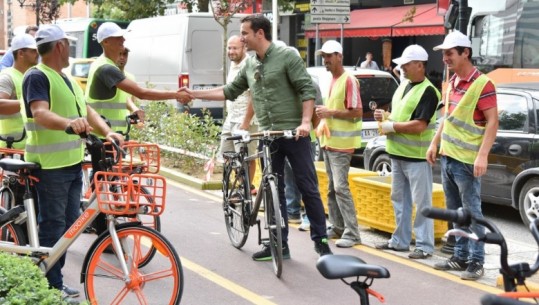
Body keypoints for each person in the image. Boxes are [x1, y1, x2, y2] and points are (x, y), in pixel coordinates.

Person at [184, 14, 332, 260]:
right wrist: (193, 93)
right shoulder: (251, 64)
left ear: (259, 33)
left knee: (308, 187)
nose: (241, 38)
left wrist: (305, 122)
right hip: (268, 136)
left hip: (294, 134)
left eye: (244, 33)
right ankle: (278, 244)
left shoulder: (287, 57)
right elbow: (230, 91)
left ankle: (321, 241)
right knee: (273, 188)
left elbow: (307, 89)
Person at [21, 24, 124, 303]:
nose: (70, 48)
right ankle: (50, 284)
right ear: (60, 46)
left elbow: (86, 110)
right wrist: (69, 124)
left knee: (69, 224)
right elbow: (40, 113)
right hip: (50, 165)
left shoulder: (63, 77)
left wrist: (107, 131)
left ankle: (52, 279)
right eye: (68, 43)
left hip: (71, 163)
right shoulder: (37, 76)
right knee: (54, 225)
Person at [427, 31, 498, 281]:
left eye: (449, 53)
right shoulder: (453, 81)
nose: (445, 58)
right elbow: (447, 118)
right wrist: (434, 143)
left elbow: (492, 122)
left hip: (467, 161)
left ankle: (476, 261)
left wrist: (482, 156)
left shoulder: (483, 84)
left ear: (465, 52)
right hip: (448, 157)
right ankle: (459, 256)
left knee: (472, 212)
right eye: (444, 54)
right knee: (456, 212)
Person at [373, 45, 441, 259]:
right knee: (399, 200)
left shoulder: (429, 91)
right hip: (397, 153)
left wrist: (391, 127)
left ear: (420, 65)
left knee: (422, 203)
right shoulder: (404, 86)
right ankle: (400, 241)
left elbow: (420, 125)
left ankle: (424, 245)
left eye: (406, 64)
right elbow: (398, 115)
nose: (401, 67)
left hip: (417, 157)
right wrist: (385, 117)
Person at [314, 40, 362, 248]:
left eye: (329, 56)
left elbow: (357, 112)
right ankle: (337, 226)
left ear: (339, 56)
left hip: (342, 144)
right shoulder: (333, 80)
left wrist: (329, 112)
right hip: (329, 142)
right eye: (324, 56)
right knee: (332, 188)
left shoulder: (348, 79)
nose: (325, 60)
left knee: (340, 187)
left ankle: (352, 232)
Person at [218, 35, 257, 187]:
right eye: (229, 48)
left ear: (244, 48)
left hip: (246, 120)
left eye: (235, 48)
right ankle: (239, 185)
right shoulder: (233, 65)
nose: (231, 51)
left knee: (247, 157)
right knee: (226, 154)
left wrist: (246, 122)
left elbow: (254, 95)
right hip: (231, 118)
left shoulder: (249, 65)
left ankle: (246, 189)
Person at [0, 34, 39, 149]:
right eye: (32, 51)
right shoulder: (7, 76)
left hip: (30, 147)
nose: (37, 54)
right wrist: (30, 104)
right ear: (21, 53)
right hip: (12, 149)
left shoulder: (32, 75)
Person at [115, 47, 145, 123]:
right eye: (119, 53)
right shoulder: (107, 74)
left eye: (125, 54)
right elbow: (123, 98)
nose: (122, 57)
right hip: (106, 129)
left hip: (123, 128)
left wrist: (134, 117)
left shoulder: (131, 77)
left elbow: (131, 100)